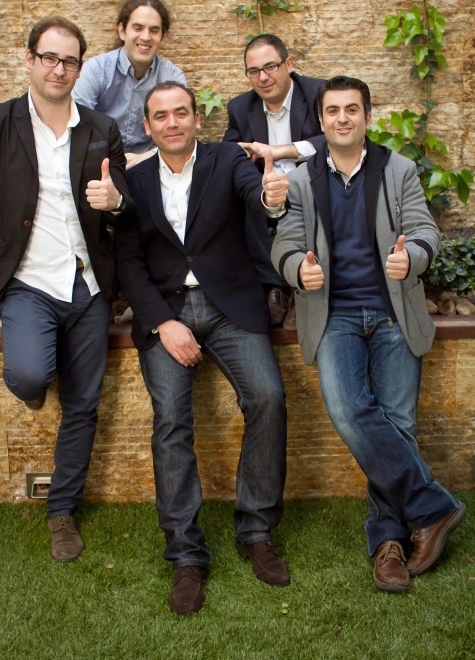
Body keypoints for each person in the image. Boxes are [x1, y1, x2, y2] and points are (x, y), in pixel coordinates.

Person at [272, 75, 466, 593]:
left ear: (366, 115)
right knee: (349, 409)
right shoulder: (301, 181)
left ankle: (389, 544)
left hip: (392, 313)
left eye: (351, 109)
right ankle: (433, 507)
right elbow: (285, 243)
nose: (341, 118)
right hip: (333, 314)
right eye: (332, 110)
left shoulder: (397, 170)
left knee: (397, 423)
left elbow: (426, 231)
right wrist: (297, 269)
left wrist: (413, 258)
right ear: (320, 120)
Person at [0, 16, 134, 562]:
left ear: (81, 67)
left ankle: (62, 510)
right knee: (30, 372)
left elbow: (125, 202)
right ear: (30, 60)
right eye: (50, 57)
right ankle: (36, 382)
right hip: (27, 281)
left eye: (70, 60)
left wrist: (117, 202)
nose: (59, 68)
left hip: (87, 285)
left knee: (83, 404)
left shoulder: (101, 127)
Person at [116, 81, 290, 615]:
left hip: (229, 306)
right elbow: (129, 262)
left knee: (268, 398)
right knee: (171, 419)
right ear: (147, 126)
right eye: (160, 116)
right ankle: (186, 552)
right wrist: (163, 323)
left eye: (181, 113)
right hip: (166, 312)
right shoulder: (134, 181)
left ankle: (255, 530)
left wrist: (269, 196)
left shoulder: (226, 160)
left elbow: (253, 192)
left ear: (196, 119)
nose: (171, 123)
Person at [223, 34, 326, 328]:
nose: (263, 78)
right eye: (254, 71)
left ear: (288, 64)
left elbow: (335, 138)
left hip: (311, 186)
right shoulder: (240, 107)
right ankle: (275, 287)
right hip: (267, 194)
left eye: (270, 67)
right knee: (244, 195)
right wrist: (242, 151)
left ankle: (304, 290)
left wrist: (279, 151)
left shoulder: (318, 92)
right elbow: (229, 151)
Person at [73, 0, 186, 169]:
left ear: (163, 37)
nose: (146, 37)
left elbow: (182, 133)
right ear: (122, 31)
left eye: (154, 30)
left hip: (150, 166)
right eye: (138, 28)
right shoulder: (96, 70)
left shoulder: (172, 77)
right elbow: (76, 126)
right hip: (97, 163)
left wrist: (147, 157)